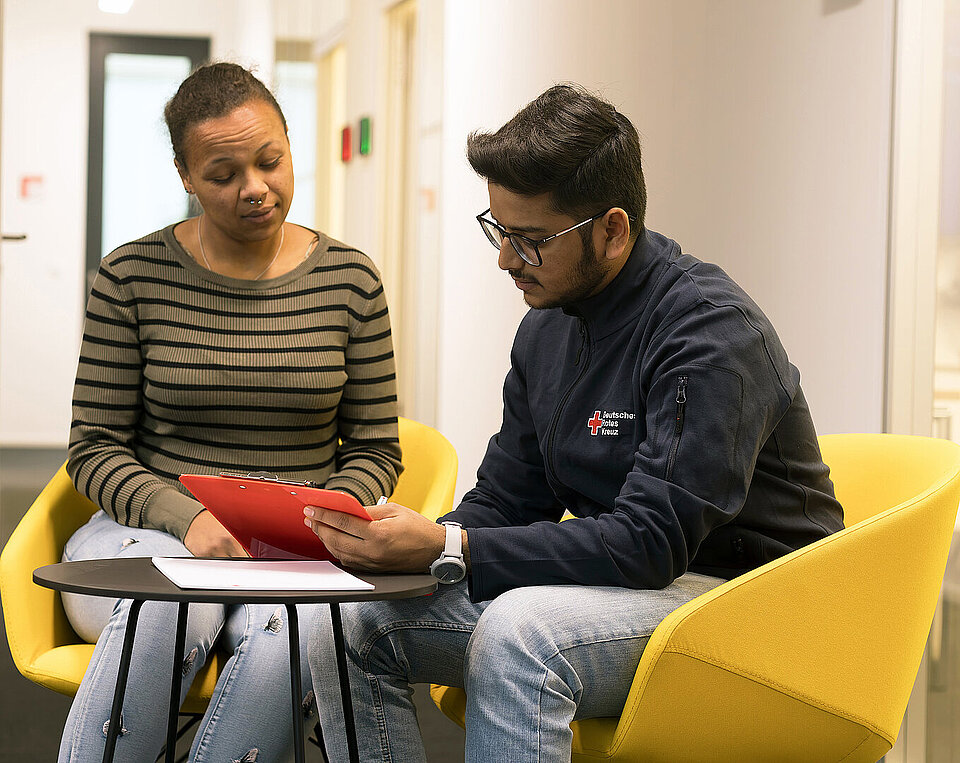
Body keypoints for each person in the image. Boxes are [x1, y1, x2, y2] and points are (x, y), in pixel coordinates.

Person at [303, 83, 844, 763]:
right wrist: (412, 549)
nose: (504, 259)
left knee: (518, 632)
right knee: (350, 620)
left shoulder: (709, 331)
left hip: (753, 604)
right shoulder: (546, 330)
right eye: (498, 231)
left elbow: (650, 542)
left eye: (529, 240)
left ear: (613, 230)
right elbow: (507, 498)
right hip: (641, 591)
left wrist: (451, 550)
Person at [58, 62, 402, 763]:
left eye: (270, 161)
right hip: (143, 534)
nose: (255, 188)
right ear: (185, 175)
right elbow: (94, 447)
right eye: (222, 174)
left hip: (292, 549)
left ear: (288, 146)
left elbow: (376, 447)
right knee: (174, 600)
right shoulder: (131, 276)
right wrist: (189, 520)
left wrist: (325, 516)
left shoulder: (351, 280)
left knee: (299, 632)